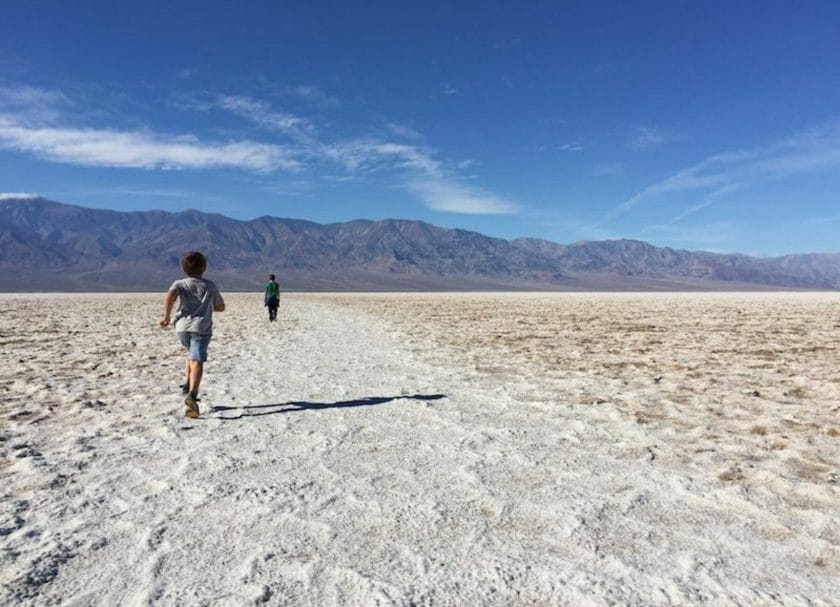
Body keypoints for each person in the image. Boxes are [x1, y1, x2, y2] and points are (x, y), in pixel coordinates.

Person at [159, 251, 225, 419]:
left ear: (183, 268)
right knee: (197, 360)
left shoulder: (179, 283)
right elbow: (221, 307)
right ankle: (193, 395)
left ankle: (187, 384)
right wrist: (209, 306)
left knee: (190, 354)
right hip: (200, 328)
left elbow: (169, 297)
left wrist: (166, 316)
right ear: (204, 268)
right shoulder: (209, 285)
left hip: (181, 327)